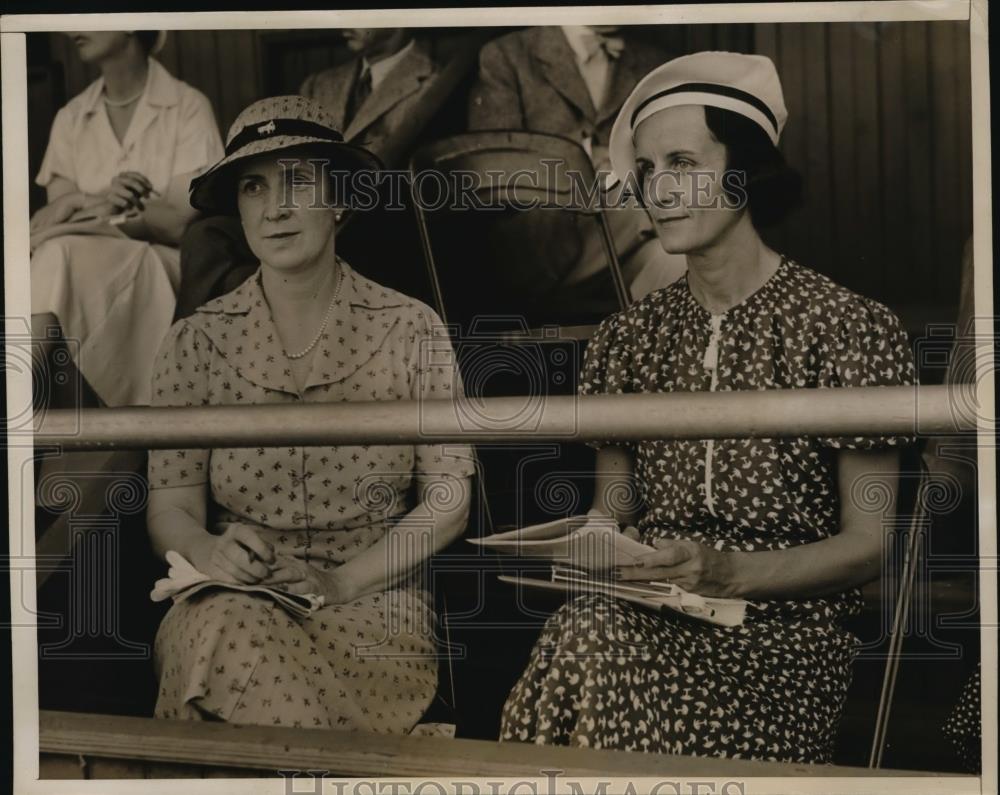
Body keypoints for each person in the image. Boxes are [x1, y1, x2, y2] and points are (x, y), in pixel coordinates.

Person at [500, 52, 916, 763]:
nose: (660, 190)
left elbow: (871, 543)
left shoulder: (850, 327)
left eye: (683, 162)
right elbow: (615, 511)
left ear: (746, 171)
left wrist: (728, 570)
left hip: (783, 647)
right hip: (644, 619)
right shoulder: (627, 337)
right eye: (648, 169)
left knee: (591, 645)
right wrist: (588, 549)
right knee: (588, 627)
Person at [147, 95, 475, 732]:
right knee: (226, 627)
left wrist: (342, 583)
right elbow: (172, 508)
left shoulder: (411, 328)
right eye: (253, 186)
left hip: (372, 609)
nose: (277, 208)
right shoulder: (194, 342)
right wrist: (208, 550)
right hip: (230, 597)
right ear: (238, 209)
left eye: (298, 181)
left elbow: (449, 500)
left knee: (231, 669)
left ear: (341, 197)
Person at [174, 28, 445, 320]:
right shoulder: (320, 84)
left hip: (378, 225)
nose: (342, 19)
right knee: (206, 236)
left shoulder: (439, 83)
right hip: (304, 207)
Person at [30, 30, 223, 407]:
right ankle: (40, 411)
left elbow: (180, 224)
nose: (73, 28)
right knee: (55, 256)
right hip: (79, 263)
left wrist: (109, 212)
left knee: (57, 257)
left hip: (161, 264)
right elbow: (54, 217)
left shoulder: (187, 106)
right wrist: (100, 200)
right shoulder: (71, 117)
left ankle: (16, 394)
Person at [468, 26, 687, 321]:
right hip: (544, 247)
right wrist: (582, 159)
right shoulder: (507, 54)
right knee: (658, 204)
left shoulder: (657, 65)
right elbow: (494, 168)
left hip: (626, 250)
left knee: (676, 265)